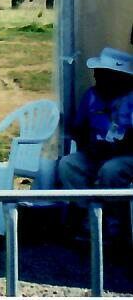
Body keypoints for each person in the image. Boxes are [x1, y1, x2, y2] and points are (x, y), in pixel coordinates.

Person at [57, 46, 133, 237]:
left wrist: (115, 148)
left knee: (111, 170)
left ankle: (115, 228)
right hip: (97, 153)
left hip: (126, 155)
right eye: (97, 73)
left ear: (119, 77)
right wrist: (89, 145)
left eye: (103, 73)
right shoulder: (91, 96)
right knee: (69, 164)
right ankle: (89, 219)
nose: (97, 77)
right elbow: (79, 128)